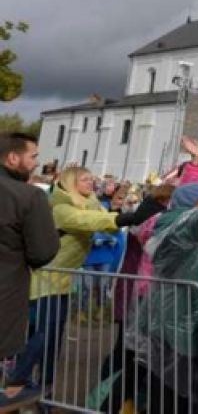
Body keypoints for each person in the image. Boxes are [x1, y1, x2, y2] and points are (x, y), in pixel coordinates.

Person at [5, 164, 162, 403]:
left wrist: (129, 214)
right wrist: (125, 217)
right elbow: (87, 220)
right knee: (44, 335)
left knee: (53, 345)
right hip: (44, 281)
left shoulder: (90, 203)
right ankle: (15, 379)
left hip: (63, 282)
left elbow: (102, 220)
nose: (91, 183)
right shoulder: (61, 208)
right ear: (70, 183)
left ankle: (45, 392)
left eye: (91, 179)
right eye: (85, 180)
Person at [0, 133, 60, 410]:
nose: (37, 163)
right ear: (13, 158)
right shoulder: (27, 196)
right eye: (33, 156)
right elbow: (43, 251)